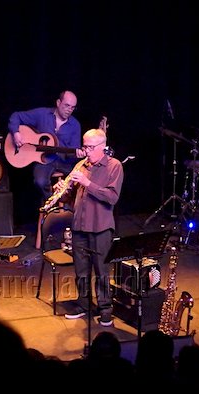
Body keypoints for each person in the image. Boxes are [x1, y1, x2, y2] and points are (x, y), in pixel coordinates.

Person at [58, 128, 124, 326]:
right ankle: (83, 304)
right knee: (81, 270)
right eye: (84, 146)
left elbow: (112, 197)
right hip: (79, 225)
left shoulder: (114, 166)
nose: (86, 151)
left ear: (102, 146)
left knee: (101, 270)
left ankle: (105, 309)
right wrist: (63, 191)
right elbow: (70, 198)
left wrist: (87, 183)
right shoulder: (80, 165)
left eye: (90, 147)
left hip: (101, 227)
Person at [7, 90, 84, 200]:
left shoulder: (75, 125)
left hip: (63, 162)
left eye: (72, 107)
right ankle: (51, 201)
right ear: (58, 102)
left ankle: (64, 202)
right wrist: (16, 133)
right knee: (40, 182)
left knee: (80, 180)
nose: (69, 110)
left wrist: (77, 154)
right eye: (67, 105)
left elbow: (73, 153)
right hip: (44, 160)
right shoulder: (42, 114)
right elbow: (16, 116)